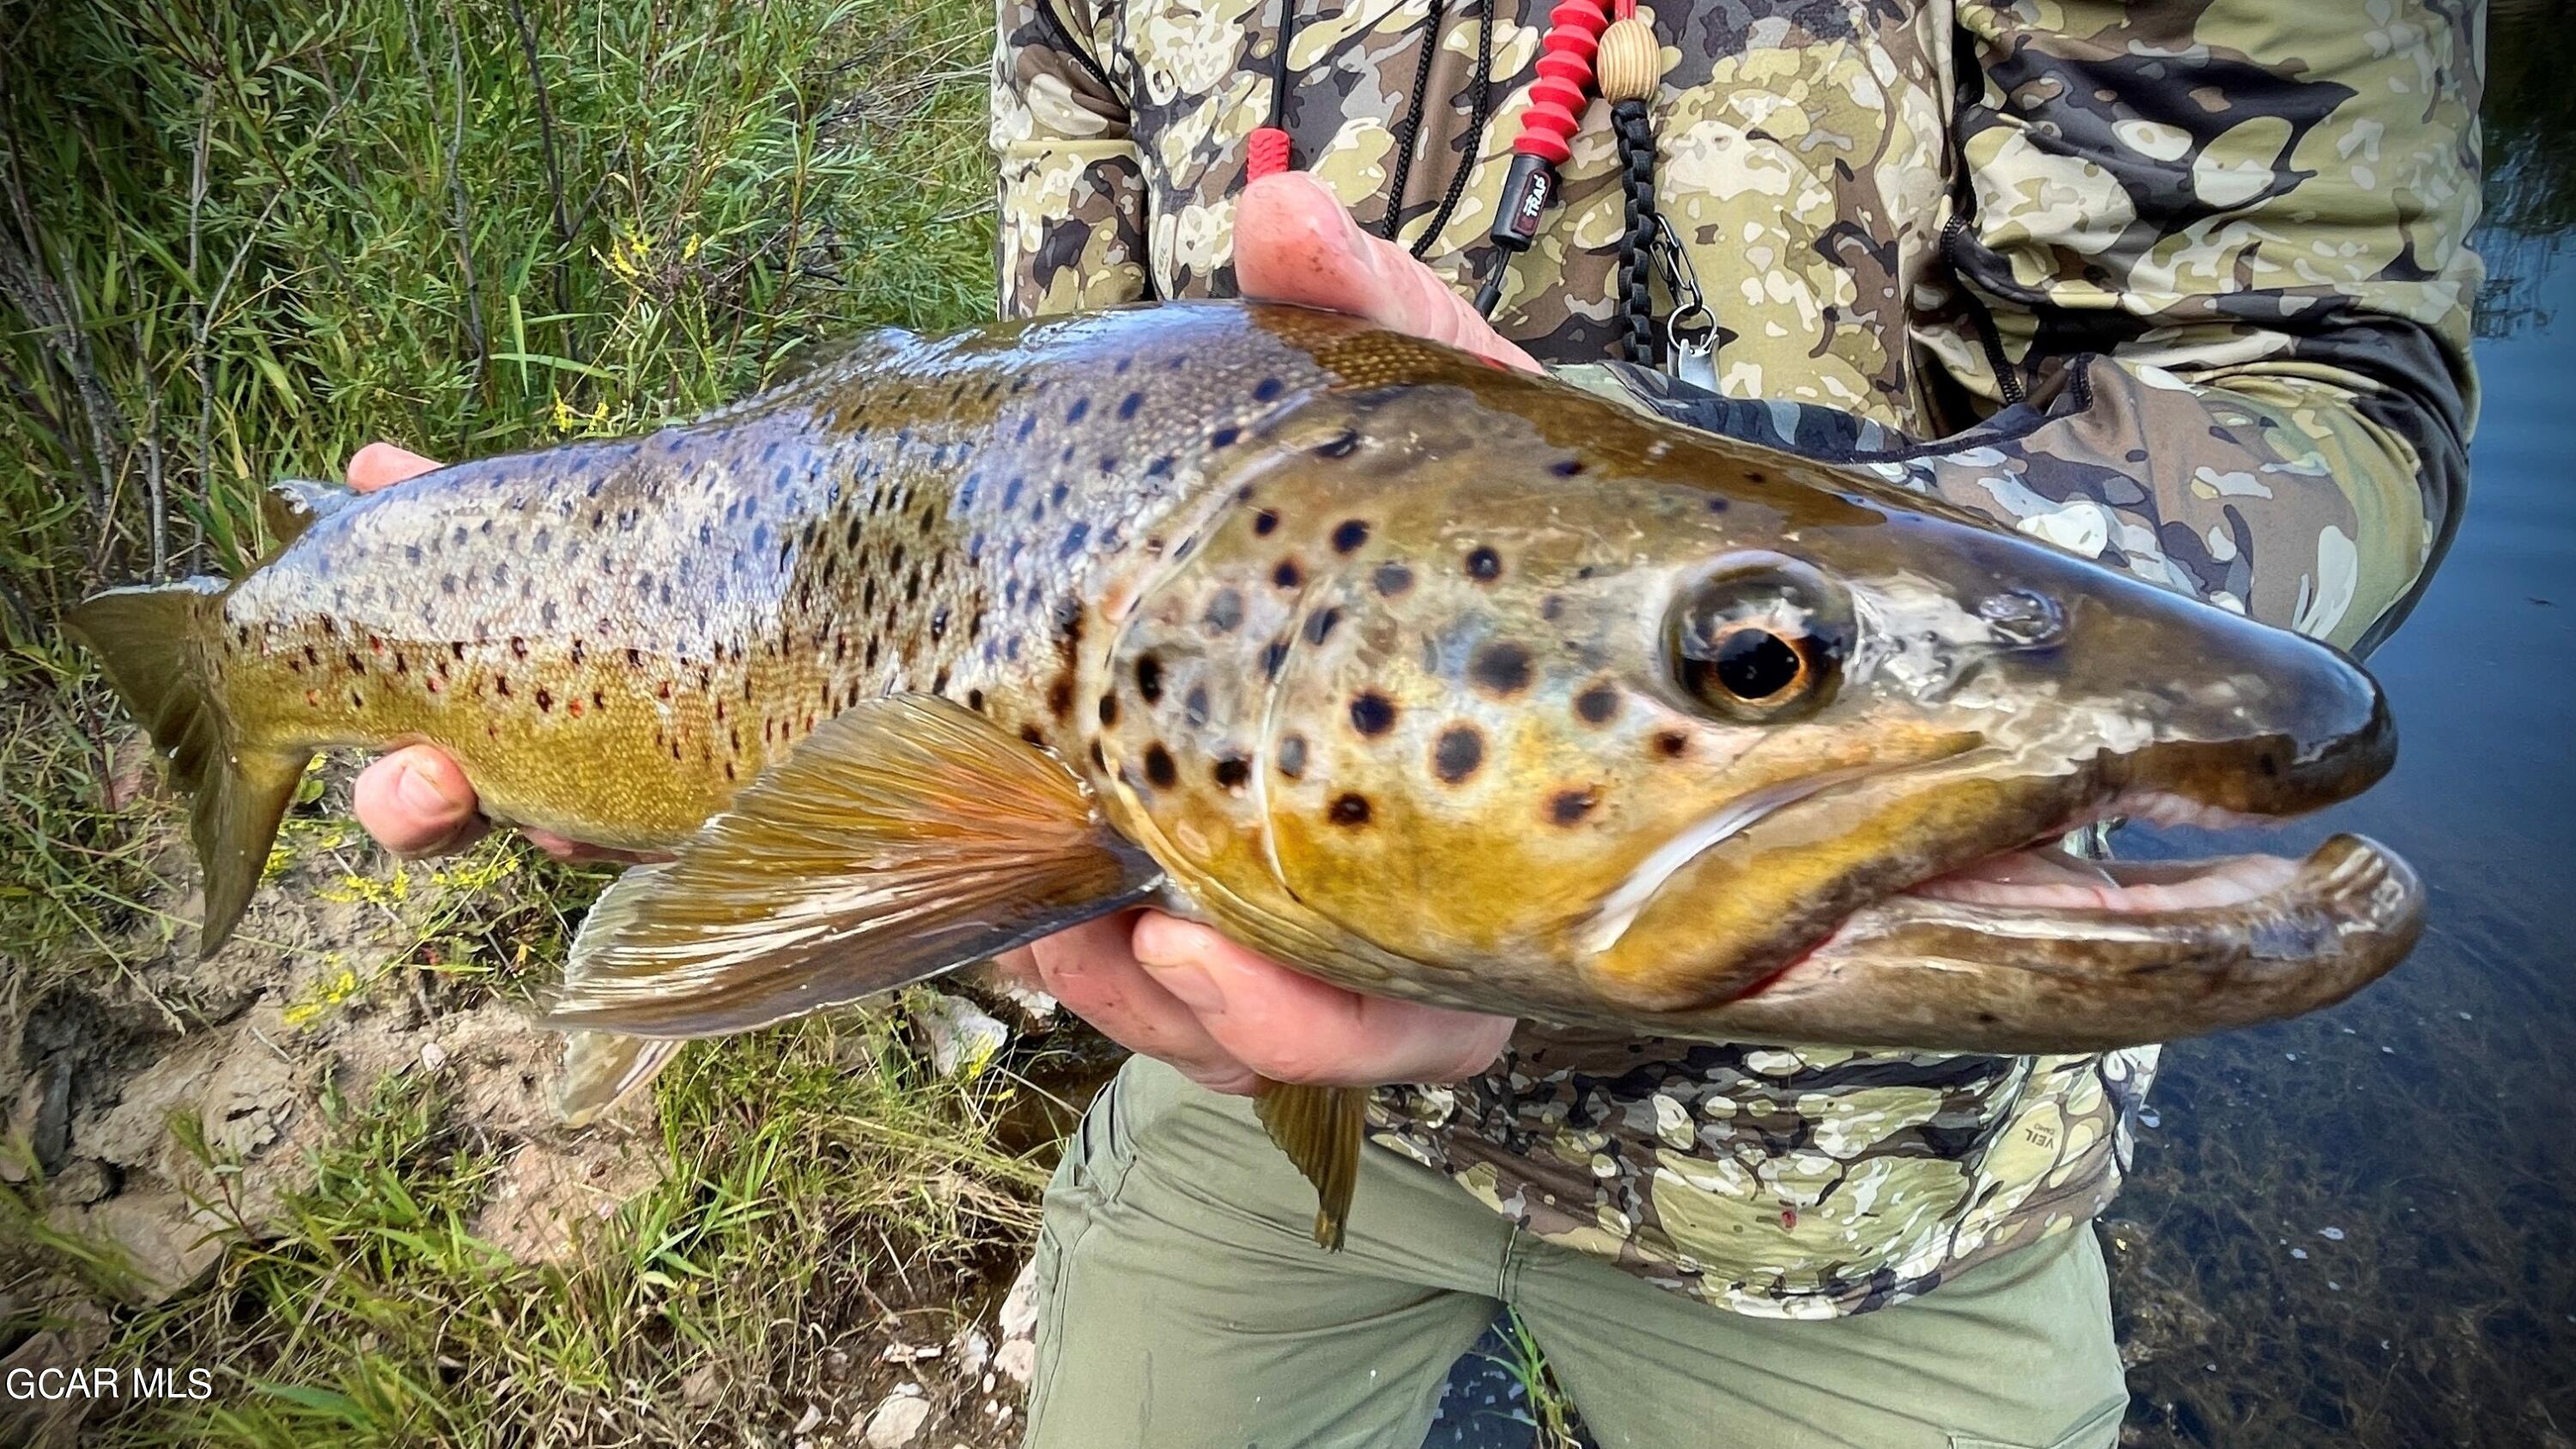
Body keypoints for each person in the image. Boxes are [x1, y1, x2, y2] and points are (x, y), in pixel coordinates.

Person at [353, 1, 2482, 1443]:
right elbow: (1018, 445)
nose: (1756, 669)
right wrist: (653, 721)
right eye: (1754, 660)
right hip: (1239, 1057)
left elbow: (2321, 371)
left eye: (1754, 663)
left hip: (1856, 1180)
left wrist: (1818, 607)